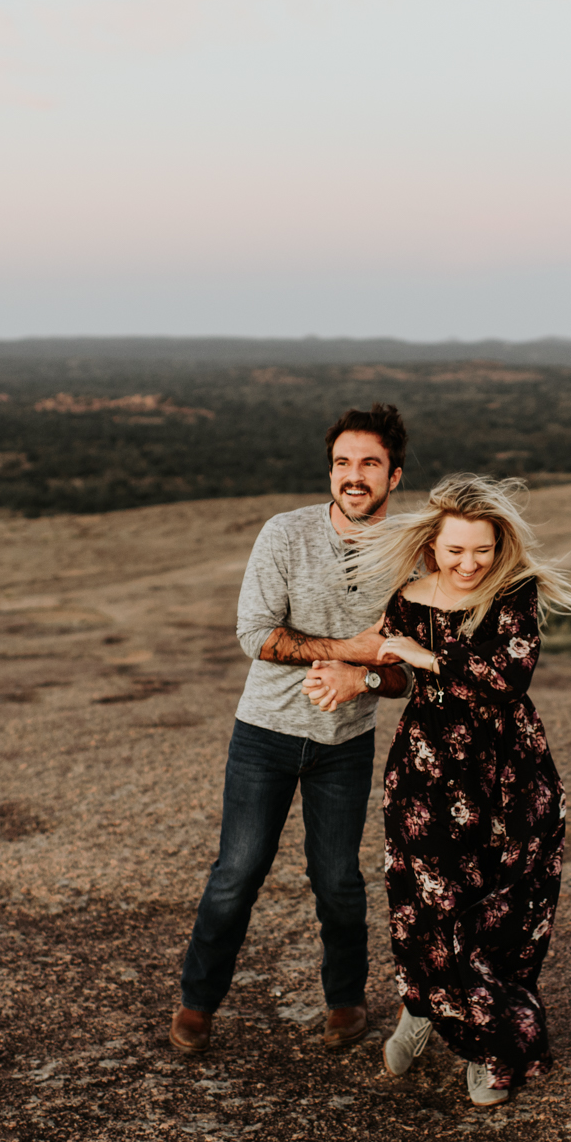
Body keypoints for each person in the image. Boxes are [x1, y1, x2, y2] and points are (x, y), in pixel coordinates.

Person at [339, 474, 571, 1106]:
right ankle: (423, 1008)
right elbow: (387, 671)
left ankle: (488, 1048)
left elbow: (509, 673)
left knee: (499, 912)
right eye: (455, 551)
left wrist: (428, 658)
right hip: (426, 774)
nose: (469, 563)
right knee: (425, 903)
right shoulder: (406, 600)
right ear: (432, 547)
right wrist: (356, 675)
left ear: (499, 546)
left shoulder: (514, 594)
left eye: (481, 550)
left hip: (510, 777)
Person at [169, 404, 411, 1054]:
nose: (352, 475)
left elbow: (404, 674)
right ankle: (197, 1003)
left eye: (369, 463)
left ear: (395, 475)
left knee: (337, 880)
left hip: (346, 743)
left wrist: (359, 676)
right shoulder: (286, 534)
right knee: (237, 872)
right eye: (342, 462)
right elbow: (255, 633)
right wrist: (351, 649)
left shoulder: (410, 552)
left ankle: (346, 1001)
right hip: (265, 734)